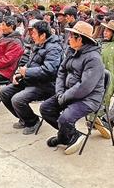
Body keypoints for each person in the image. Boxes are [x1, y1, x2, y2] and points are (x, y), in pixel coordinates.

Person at [39, 21, 105, 154]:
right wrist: (59, 93)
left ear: (79, 39)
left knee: (65, 118)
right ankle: (68, 135)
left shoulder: (94, 59)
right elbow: (61, 72)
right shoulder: (72, 51)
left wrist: (64, 97)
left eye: (71, 36)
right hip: (68, 93)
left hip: (88, 98)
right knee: (46, 108)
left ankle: (65, 135)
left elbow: (84, 87)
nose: (68, 38)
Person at [0, 20, 63, 134]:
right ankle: (24, 118)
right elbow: (31, 63)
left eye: (34, 33)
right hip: (32, 79)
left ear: (43, 35)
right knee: (4, 92)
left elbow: (49, 71)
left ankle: (32, 122)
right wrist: (20, 74)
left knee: (18, 99)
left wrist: (27, 72)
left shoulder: (54, 48)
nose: (31, 36)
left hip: (47, 84)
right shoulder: (39, 44)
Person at [88, 19, 114, 136]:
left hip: (108, 81)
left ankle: (101, 123)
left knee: (101, 101)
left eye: (108, 31)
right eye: (105, 30)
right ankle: (94, 121)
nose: (104, 32)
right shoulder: (102, 44)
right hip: (95, 77)